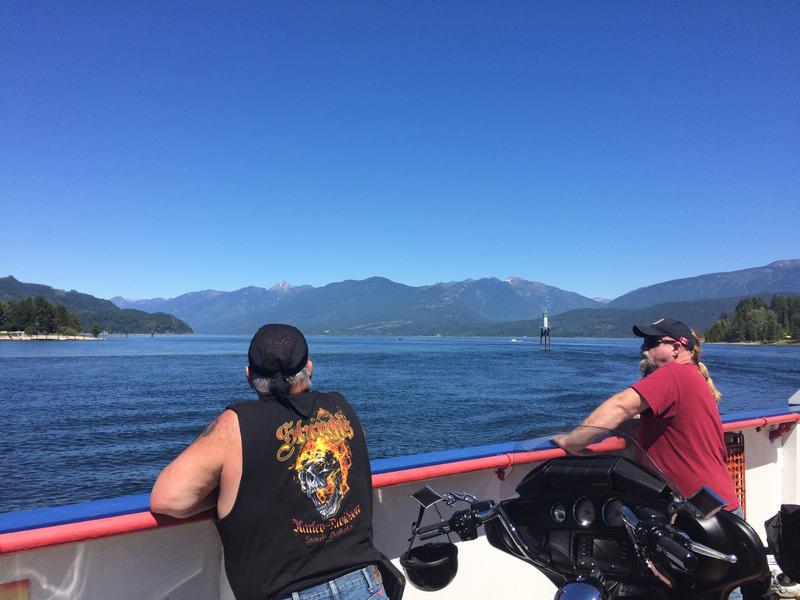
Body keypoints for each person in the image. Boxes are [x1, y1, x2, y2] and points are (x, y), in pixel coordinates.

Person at [151, 324, 391, 600]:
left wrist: (234, 494)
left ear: (249, 375)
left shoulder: (236, 425)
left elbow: (168, 499)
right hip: (365, 584)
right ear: (309, 368)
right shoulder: (341, 408)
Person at [552, 318, 739, 512]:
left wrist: (571, 442)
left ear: (676, 348)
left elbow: (621, 406)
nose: (643, 348)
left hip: (700, 512)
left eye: (651, 343)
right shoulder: (692, 376)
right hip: (714, 504)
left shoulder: (673, 374)